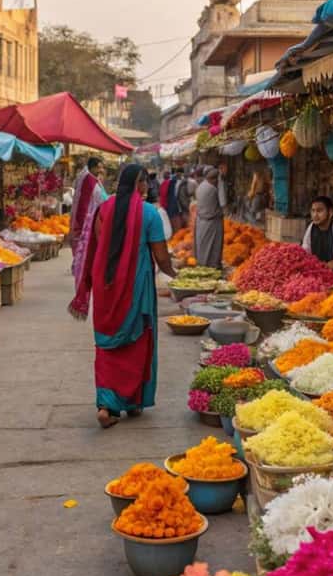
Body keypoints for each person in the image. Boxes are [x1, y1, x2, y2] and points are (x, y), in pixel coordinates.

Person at [69, 164, 175, 429]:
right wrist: (174, 273)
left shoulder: (103, 210)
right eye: (144, 183)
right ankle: (133, 400)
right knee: (137, 341)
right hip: (136, 285)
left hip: (107, 286)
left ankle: (107, 404)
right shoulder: (149, 213)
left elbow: (99, 244)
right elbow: (161, 256)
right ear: (139, 185)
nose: (146, 188)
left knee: (107, 345)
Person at [70, 157, 103, 260]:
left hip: (92, 219)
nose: (100, 170)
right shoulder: (88, 180)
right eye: (98, 168)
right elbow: (83, 202)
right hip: (87, 221)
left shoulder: (93, 179)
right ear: (92, 168)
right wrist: (84, 223)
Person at [193, 167, 224, 267]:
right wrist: (222, 183)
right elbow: (223, 202)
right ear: (215, 179)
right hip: (212, 222)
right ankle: (212, 266)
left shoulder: (200, 186)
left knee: (203, 246)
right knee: (213, 246)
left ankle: (203, 265)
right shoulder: (213, 189)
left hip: (201, 222)